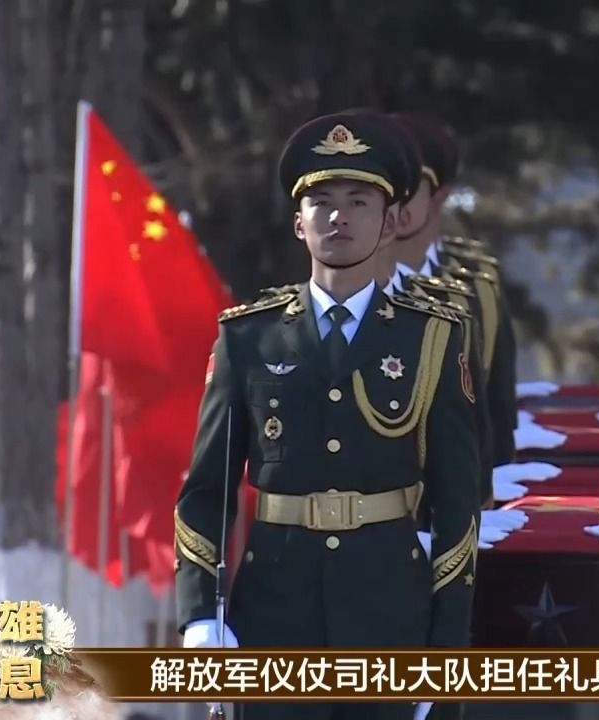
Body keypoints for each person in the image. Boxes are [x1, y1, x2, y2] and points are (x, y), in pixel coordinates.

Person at [175, 110, 481, 720]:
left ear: (390, 222)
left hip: (389, 615)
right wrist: (201, 618)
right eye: (321, 202)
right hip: (273, 613)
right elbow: (207, 492)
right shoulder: (248, 338)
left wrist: (446, 647)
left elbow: (457, 507)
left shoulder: (432, 339)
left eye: (358, 202)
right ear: (298, 222)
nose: (338, 217)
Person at [386, 113, 519, 476]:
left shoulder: (466, 296)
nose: (394, 201)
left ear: (437, 197)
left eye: (408, 187)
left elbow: (494, 419)